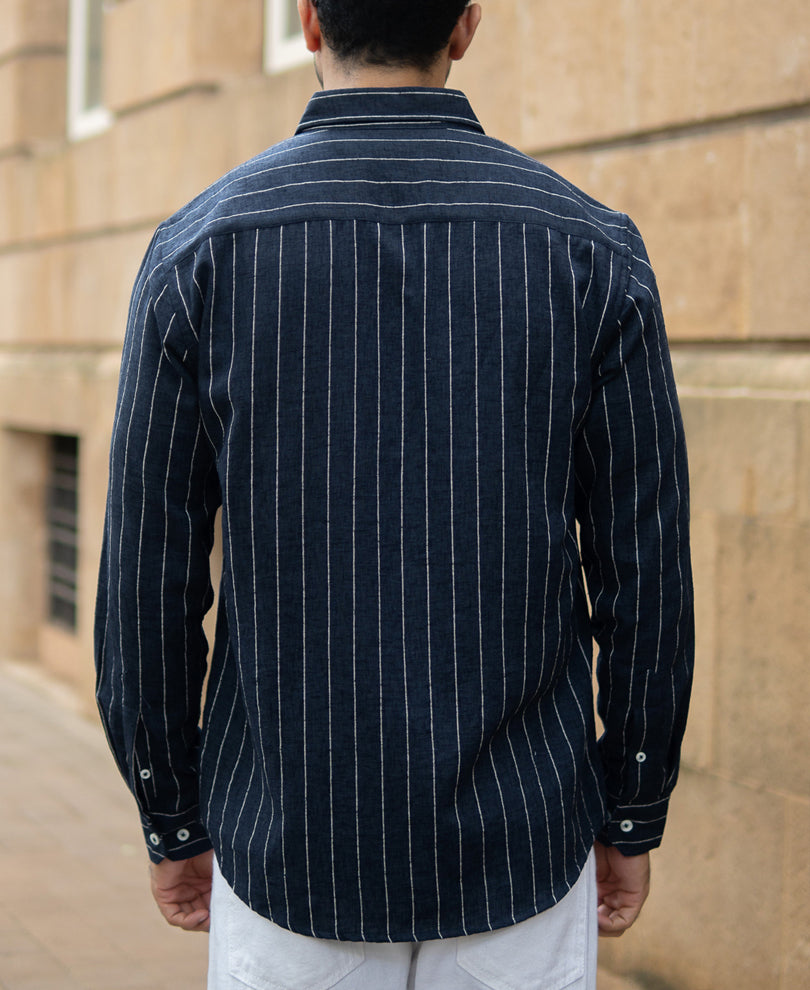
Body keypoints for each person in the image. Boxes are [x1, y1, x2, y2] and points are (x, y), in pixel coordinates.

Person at [95, 1, 694, 986]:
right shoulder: (592, 250)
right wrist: (633, 805)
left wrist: (170, 815)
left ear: (308, 22)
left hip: (289, 845)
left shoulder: (197, 252)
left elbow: (144, 583)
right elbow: (647, 570)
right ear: (465, 27)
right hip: (522, 844)